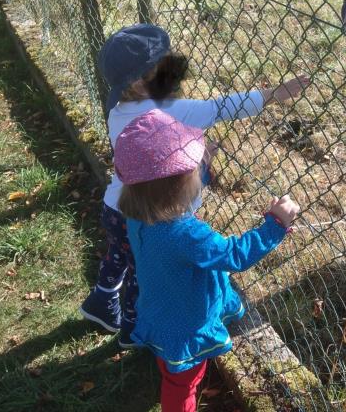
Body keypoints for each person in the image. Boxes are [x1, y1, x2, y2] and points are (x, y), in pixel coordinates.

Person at [80, 23, 307, 347]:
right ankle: (132, 332)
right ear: (140, 82)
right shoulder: (171, 111)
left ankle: (101, 303)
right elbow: (220, 108)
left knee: (118, 255)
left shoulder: (117, 111)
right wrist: (273, 95)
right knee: (140, 276)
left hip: (118, 206)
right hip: (154, 215)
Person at [114, 109, 298, 411]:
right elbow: (234, 255)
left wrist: (199, 167)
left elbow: (165, 187)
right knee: (183, 382)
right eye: (194, 167)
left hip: (161, 307)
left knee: (171, 369)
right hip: (187, 322)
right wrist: (274, 226)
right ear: (179, 185)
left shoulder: (138, 211)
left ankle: (167, 370)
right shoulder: (187, 234)